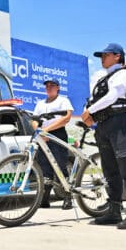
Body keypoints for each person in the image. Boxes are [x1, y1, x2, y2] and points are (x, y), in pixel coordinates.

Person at [81, 43, 126, 229]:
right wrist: (90, 115)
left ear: (117, 56)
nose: (102, 58)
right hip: (105, 125)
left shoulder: (124, 74)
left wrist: (90, 111)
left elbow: (113, 96)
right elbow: (98, 100)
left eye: (106, 55)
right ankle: (114, 211)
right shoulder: (106, 78)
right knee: (110, 170)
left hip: (121, 124)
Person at [32, 79, 74, 210]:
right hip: (43, 137)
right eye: (47, 86)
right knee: (45, 168)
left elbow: (66, 118)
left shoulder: (63, 100)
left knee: (60, 166)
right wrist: (39, 131)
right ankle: (45, 199)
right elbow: (34, 120)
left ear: (58, 88)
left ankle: (68, 197)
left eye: (52, 86)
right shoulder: (40, 103)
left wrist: (47, 131)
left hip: (57, 134)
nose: (49, 88)